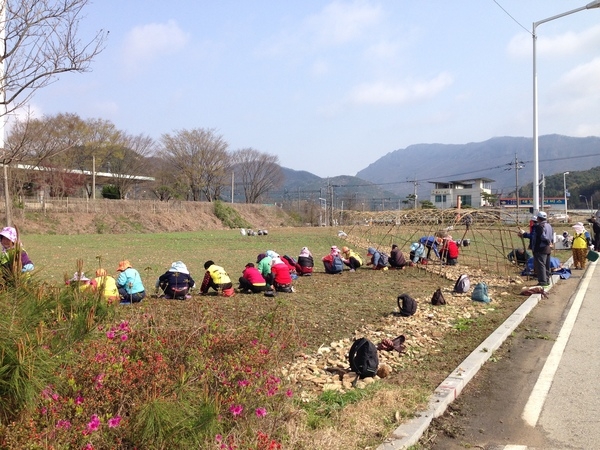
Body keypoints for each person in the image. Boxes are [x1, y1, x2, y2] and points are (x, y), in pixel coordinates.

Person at [530, 211, 554, 287]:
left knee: (541, 265)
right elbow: (552, 236)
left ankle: (543, 281)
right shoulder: (549, 225)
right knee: (546, 265)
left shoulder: (539, 226)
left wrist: (547, 242)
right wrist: (550, 243)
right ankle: (547, 280)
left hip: (541, 248)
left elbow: (543, 237)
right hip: (548, 249)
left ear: (538, 218)